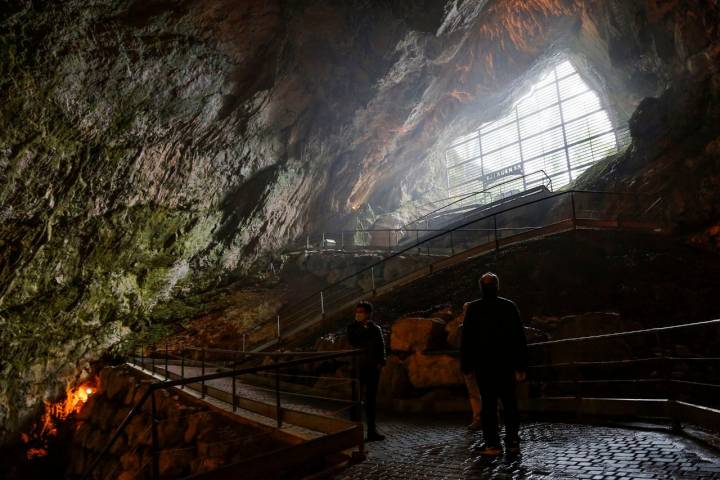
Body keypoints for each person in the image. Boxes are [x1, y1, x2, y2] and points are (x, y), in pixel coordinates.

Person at [460, 272, 528, 456]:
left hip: (485, 366)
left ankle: (492, 443)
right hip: (506, 365)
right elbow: (519, 338)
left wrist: (466, 365)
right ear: (498, 286)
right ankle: (513, 441)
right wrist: (521, 366)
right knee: (510, 404)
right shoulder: (509, 307)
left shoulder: (474, 309)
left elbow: (467, 340)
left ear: (481, 287)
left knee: (488, 406)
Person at [347, 300, 386, 441]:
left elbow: (381, 346)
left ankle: (371, 430)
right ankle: (353, 431)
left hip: (372, 368)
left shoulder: (376, 328)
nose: (358, 314)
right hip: (357, 368)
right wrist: (362, 328)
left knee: (371, 400)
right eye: (357, 312)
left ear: (368, 313)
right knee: (355, 400)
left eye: (361, 312)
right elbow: (353, 340)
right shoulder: (352, 327)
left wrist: (381, 362)